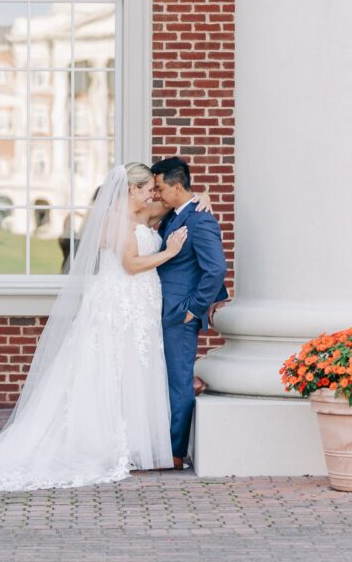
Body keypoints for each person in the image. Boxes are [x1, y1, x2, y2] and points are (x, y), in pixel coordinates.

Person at [0, 162, 189, 491]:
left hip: (130, 306)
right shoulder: (121, 220)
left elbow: (171, 206)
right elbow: (130, 264)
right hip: (120, 303)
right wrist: (169, 253)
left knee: (122, 370)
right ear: (132, 189)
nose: (151, 195)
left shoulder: (133, 216)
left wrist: (205, 196)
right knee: (108, 370)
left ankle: (127, 443)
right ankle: (105, 443)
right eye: (145, 190)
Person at [151, 156, 228, 470]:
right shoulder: (175, 215)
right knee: (165, 379)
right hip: (161, 311)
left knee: (179, 382)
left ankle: (175, 452)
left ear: (176, 184)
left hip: (179, 315)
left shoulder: (199, 220)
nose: (156, 194)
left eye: (159, 187)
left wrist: (193, 309)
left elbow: (216, 269)